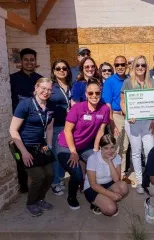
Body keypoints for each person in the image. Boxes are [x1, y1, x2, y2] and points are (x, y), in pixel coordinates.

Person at [57, 78, 110, 210]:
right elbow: (67, 131)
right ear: (86, 94)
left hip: (85, 147)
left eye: (97, 93)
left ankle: (95, 197)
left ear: (100, 93)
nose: (94, 96)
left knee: (98, 166)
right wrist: (73, 152)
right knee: (77, 174)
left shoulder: (104, 109)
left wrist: (96, 150)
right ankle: (72, 196)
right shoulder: (77, 108)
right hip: (66, 146)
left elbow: (100, 131)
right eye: (91, 93)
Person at [9, 78, 55, 217]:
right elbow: (12, 130)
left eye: (49, 90)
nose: (46, 92)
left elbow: (50, 128)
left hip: (41, 145)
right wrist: (23, 152)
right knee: (38, 176)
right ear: (36, 87)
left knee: (50, 175)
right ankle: (31, 203)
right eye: (43, 88)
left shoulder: (50, 107)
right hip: (23, 146)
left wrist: (49, 145)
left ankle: (40, 199)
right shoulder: (25, 104)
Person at [120, 55, 154, 194]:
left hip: (148, 123)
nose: (140, 68)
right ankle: (140, 182)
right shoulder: (128, 82)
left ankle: (149, 180)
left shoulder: (151, 82)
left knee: (149, 152)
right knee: (135, 153)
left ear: (146, 67)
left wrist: (153, 121)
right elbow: (122, 101)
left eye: (143, 65)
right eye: (138, 65)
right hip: (133, 123)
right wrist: (128, 114)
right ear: (134, 67)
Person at [10, 48, 43, 193]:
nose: (29, 62)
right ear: (21, 62)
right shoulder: (12, 79)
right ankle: (23, 186)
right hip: (19, 124)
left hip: (36, 124)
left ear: (35, 62)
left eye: (32, 60)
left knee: (37, 154)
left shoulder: (40, 79)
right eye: (26, 60)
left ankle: (37, 182)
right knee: (19, 154)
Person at [102, 56, 131, 184]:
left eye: (122, 64)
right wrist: (112, 123)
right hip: (117, 116)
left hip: (130, 117)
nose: (120, 67)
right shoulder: (109, 81)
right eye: (117, 65)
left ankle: (122, 174)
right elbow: (107, 104)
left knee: (125, 147)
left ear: (126, 66)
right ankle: (114, 174)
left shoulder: (130, 80)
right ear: (114, 66)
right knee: (116, 147)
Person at [84, 134, 129, 216]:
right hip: (92, 188)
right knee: (111, 209)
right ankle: (97, 203)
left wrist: (110, 161)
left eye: (112, 147)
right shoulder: (92, 159)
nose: (110, 151)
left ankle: (106, 199)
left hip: (108, 184)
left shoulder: (117, 157)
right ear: (100, 148)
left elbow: (116, 180)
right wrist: (111, 194)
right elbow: (93, 185)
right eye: (106, 148)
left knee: (124, 186)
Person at [48, 59, 72, 196]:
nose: (61, 70)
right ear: (54, 71)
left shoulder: (71, 86)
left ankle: (61, 178)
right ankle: (55, 182)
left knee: (64, 154)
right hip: (56, 126)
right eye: (58, 68)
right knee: (56, 156)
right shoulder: (51, 87)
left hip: (70, 127)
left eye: (64, 68)